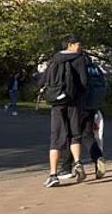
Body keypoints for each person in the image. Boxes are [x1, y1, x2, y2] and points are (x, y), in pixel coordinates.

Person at [41, 34, 89, 188]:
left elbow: (43, 80)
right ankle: (78, 163)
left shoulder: (55, 58)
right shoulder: (80, 59)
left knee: (56, 137)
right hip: (74, 102)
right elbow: (84, 82)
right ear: (70, 45)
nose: (80, 46)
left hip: (57, 102)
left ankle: (53, 175)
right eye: (78, 44)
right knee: (75, 134)